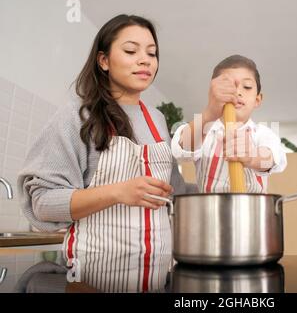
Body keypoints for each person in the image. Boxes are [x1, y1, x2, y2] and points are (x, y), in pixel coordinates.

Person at [17, 15, 193, 288]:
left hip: (156, 279)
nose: (145, 60)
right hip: (93, 279)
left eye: (152, 53)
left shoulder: (157, 119)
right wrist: (117, 192)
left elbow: (175, 190)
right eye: (131, 51)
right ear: (104, 61)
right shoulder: (78, 116)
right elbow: (43, 203)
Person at [171, 55, 287, 193]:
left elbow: (272, 158)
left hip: (254, 212)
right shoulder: (205, 131)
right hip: (210, 212)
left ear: (257, 100)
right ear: (213, 94)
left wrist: (252, 157)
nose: (237, 92)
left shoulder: (263, 133)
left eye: (247, 87)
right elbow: (182, 150)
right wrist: (209, 112)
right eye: (228, 87)